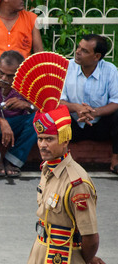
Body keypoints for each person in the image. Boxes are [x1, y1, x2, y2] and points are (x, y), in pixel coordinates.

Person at [20, 103, 109, 264]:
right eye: (40, 138)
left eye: (49, 139)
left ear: (65, 140)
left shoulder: (77, 182)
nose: (43, 144)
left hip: (63, 258)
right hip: (40, 251)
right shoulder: (48, 168)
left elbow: (90, 236)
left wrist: (85, 260)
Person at [60, 34, 118, 175]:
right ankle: (59, 159)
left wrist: (94, 112)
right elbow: (59, 101)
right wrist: (77, 108)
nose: (78, 52)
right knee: (53, 114)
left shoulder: (110, 71)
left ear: (97, 56)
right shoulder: (67, 67)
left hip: (99, 125)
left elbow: (116, 101)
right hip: (73, 124)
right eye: (79, 47)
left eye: (84, 50)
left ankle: (116, 160)